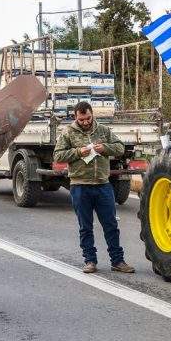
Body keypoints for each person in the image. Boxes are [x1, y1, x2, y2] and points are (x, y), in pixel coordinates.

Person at [53, 101, 134, 274]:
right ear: (75, 117)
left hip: (103, 185)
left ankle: (117, 261)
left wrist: (105, 148)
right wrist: (78, 152)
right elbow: (58, 156)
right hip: (80, 186)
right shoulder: (68, 132)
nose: (85, 122)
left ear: (92, 115)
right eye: (81, 119)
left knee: (111, 225)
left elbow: (120, 147)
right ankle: (90, 260)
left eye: (88, 118)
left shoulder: (103, 130)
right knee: (85, 226)